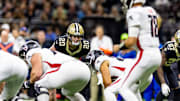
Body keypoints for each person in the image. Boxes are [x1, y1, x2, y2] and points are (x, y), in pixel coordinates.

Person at [111, 0, 162, 101]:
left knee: (122, 87)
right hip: (156, 54)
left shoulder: (134, 12)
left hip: (145, 55)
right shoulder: (150, 10)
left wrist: (119, 47)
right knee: (133, 87)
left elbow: (131, 41)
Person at [19, 40, 91, 101]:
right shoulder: (47, 54)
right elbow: (52, 94)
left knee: (38, 84)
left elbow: (37, 74)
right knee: (67, 93)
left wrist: (27, 83)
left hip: (67, 69)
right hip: (84, 70)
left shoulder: (33, 53)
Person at [85, 50, 153, 101]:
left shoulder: (99, 60)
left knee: (108, 90)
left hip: (135, 73)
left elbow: (108, 83)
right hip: (144, 74)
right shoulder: (112, 61)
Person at [50, 22, 90, 100]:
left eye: (78, 37)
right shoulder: (61, 42)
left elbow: (86, 62)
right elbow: (50, 55)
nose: (76, 39)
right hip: (60, 67)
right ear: (69, 36)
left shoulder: (85, 46)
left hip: (76, 69)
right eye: (74, 36)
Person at [156, 30, 180, 101]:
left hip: (167, 67)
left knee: (177, 89)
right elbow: (159, 64)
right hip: (157, 67)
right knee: (167, 89)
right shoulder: (170, 48)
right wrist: (163, 83)